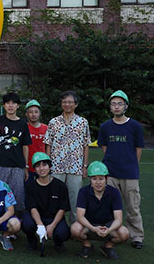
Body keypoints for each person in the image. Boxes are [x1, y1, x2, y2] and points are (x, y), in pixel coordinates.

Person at [98, 90, 145, 249]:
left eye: (119, 104)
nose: (116, 107)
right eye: (113, 104)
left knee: (133, 207)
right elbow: (105, 148)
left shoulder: (135, 126)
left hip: (129, 173)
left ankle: (136, 236)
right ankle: (111, 232)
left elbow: (138, 149)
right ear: (110, 107)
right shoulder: (105, 127)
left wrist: (131, 166)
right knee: (110, 206)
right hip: (110, 173)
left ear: (125, 106)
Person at [44, 90, 91, 223]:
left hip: (75, 167)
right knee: (54, 198)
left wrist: (85, 166)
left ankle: (76, 227)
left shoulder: (83, 122)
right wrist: (47, 165)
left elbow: (86, 144)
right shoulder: (53, 122)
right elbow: (48, 143)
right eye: (64, 102)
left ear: (75, 104)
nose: (67, 104)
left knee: (75, 199)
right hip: (56, 167)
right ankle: (54, 225)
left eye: (70, 102)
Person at [0, 92, 32, 214]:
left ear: (18, 106)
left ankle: (15, 226)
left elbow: (25, 146)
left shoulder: (23, 124)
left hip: (17, 166)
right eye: (8, 103)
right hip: (1, 165)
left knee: (17, 197)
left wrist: (25, 166)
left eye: (13, 103)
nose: (10, 106)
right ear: (3, 106)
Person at [71, 161, 129, 260]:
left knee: (124, 233)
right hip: (90, 225)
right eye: (94, 179)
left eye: (101, 179)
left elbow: (118, 219)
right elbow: (80, 216)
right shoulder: (83, 192)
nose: (98, 182)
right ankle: (87, 245)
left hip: (108, 225)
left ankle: (108, 246)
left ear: (106, 179)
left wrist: (109, 230)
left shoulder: (114, 192)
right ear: (90, 180)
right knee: (75, 229)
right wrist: (94, 229)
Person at [22, 152, 70, 252]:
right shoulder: (31, 186)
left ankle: (58, 243)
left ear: (50, 167)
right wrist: (40, 225)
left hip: (53, 217)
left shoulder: (60, 185)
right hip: (36, 217)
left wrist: (52, 226)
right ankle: (32, 241)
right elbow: (32, 208)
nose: (41, 168)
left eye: (44, 165)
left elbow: (62, 208)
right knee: (27, 224)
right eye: (38, 166)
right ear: (35, 169)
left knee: (63, 232)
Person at [24, 99, 48, 186]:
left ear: (40, 113)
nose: (33, 114)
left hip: (42, 166)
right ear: (26, 114)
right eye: (30, 112)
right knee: (28, 190)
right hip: (28, 166)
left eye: (36, 112)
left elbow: (48, 147)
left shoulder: (46, 128)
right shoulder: (24, 128)